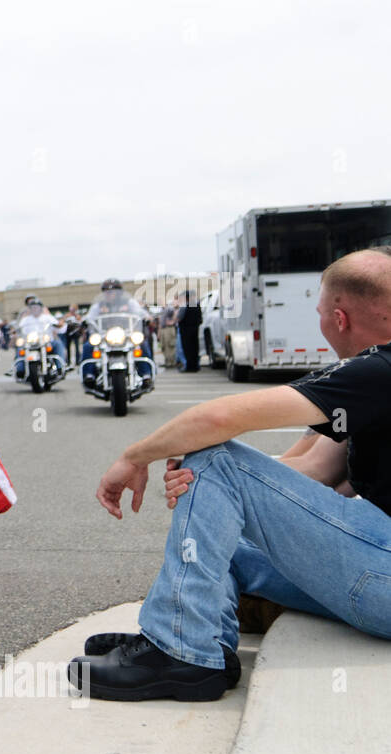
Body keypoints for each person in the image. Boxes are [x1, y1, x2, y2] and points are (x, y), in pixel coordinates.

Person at [70, 248, 391, 701]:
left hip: (384, 576)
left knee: (216, 455)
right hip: (377, 573)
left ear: (339, 319)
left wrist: (136, 456)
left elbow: (221, 418)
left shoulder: (378, 370)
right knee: (225, 537)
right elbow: (313, 470)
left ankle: (182, 654)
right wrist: (213, 487)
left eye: (319, 314)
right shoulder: (373, 387)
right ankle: (204, 648)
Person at [176, 288, 203, 372]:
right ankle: (195, 366)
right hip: (195, 331)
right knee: (195, 349)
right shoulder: (197, 305)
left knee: (187, 349)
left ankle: (189, 367)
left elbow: (179, 318)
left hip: (185, 331)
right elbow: (200, 319)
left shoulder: (185, 307)